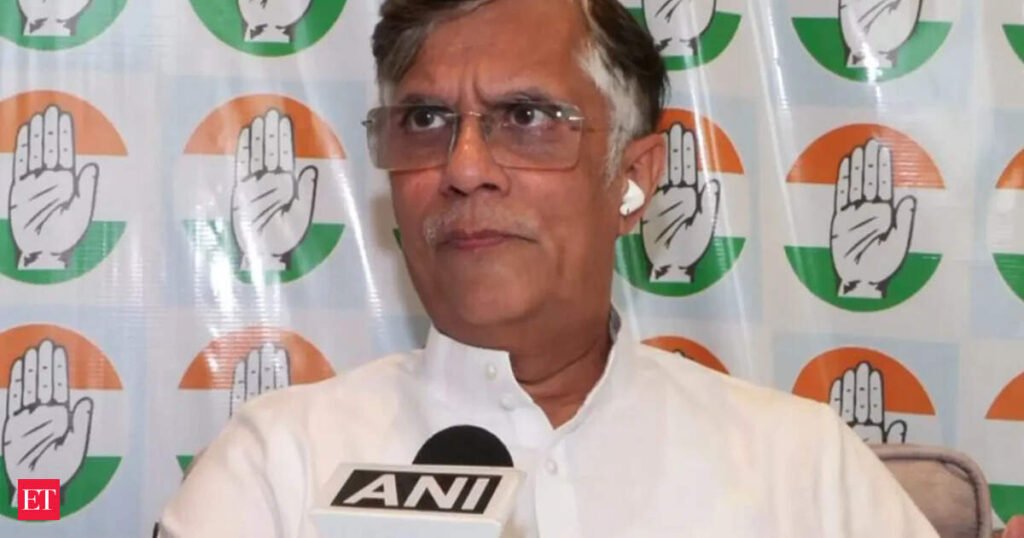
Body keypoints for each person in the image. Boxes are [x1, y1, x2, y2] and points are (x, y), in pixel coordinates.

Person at [159, 0, 942, 536]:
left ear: (633, 177)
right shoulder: (279, 466)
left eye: (526, 117)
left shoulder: (799, 465)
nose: (465, 169)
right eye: (425, 120)